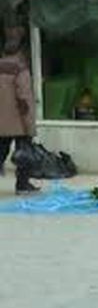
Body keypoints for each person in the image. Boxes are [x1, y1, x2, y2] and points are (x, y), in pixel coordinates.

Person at [0, 26, 37, 194]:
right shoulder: (20, 68)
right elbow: (24, 96)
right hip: (19, 119)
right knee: (24, 153)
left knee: (1, 150)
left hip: (2, 120)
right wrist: (29, 124)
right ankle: (22, 184)